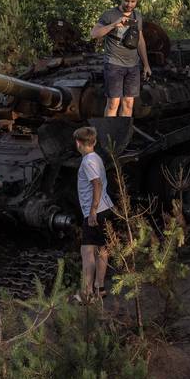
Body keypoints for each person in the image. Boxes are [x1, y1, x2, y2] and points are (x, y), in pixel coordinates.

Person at [89, 0, 152, 117]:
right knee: (113, 103)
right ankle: (109, 135)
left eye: (133, 1)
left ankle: (122, 135)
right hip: (114, 65)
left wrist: (146, 65)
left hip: (133, 66)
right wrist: (113, 25)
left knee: (129, 103)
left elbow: (140, 41)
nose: (129, 4)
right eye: (127, 1)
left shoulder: (137, 16)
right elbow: (94, 34)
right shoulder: (109, 15)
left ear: (137, 0)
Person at [74, 126, 114, 301]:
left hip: (95, 211)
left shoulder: (87, 161)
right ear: (95, 142)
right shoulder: (96, 158)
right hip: (105, 209)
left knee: (87, 251)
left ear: (78, 143)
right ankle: (100, 288)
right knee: (102, 249)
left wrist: (92, 211)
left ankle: (87, 293)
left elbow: (96, 184)